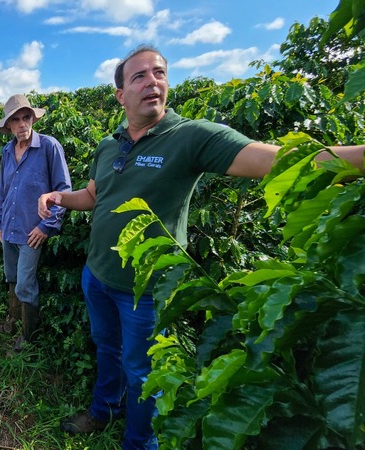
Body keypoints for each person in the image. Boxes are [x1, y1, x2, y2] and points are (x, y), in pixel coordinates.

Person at [39, 45, 364, 449]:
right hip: (97, 275)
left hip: (147, 289)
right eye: (139, 76)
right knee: (107, 347)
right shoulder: (109, 145)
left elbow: (272, 159)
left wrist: (357, 159)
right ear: (120, 94)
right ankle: (104, 409)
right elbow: (94, 194)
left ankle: (138, 443)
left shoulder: (190, 136)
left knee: (141, 371)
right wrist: (60, 197)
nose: (152, 81)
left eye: (159, 73)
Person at [0, 94, 72, 351]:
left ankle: (28, 337)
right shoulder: (7, 151)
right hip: (10, 228)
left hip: (31, 231)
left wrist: (46, 226)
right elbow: (3, 190)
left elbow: (63, 191)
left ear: (33, 119)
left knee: (26, 283)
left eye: (25, 117)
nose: (21, 124)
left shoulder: (49, 147)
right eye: (15, 120)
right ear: (8, 126)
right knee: (12, 277)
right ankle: (12, 322)